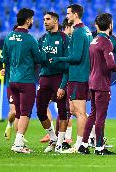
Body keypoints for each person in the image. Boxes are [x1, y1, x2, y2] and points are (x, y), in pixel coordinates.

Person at [0, 8, 45, 153]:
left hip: (12, 81)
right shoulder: (30, 39)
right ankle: (18, 145)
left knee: (18, 113)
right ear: (27, 20)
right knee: (25, 113)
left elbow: (2, 60)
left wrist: (4, 69)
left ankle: (18, 142)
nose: (32, 22)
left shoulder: (9, 37)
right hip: (26, 81)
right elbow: (39, 59)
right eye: (31, 19)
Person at [78, 13, 116, 155]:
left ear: (96, 26)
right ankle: (99, 148)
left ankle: (83, 145)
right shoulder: (106, 42)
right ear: (110, 26)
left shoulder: (94, 40)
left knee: (93, 114)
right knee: (100, 117)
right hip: (102, 83)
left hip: (92, 81)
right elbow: (110, 64)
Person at [51, 4, 93, 152]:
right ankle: (85, 139)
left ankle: (81, 144)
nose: (66, 16)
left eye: (68, 13)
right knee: (75, 110)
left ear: (75, 14)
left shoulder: (78, 32)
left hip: (78, 76)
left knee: (80, 112)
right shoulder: (87, 31)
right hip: (81, 75)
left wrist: (58, 59)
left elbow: (75, 57)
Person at [36, 12, 69, 153]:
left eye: (48, 19)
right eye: (44, 19)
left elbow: (69, 62)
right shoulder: (42, 39)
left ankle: (60, 144)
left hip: (59, 77)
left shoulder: (64, 38)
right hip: (44, 78)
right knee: (40, 111)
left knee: (62, 112)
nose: (45, 22)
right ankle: (53, 138)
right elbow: (37, 58)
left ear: (55, 21)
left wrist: (63, 85)